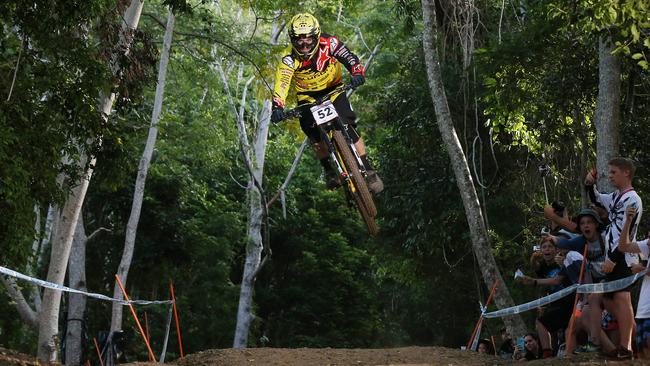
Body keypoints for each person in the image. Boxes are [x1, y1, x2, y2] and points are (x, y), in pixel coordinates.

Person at [270, 13, 383, 193]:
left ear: (316, 36)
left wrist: (357, 72)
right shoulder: (288, 59)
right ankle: (329, 170)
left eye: (308, 39)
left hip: (333, 89)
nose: (304, 44)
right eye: (298, 40)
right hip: (307, 97)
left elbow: (349, 57)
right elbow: (281, 84)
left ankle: (368, 169)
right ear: (292, 40)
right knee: (314, 135)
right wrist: (278, 107)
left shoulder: (329, 43)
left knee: (349, 125)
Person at [584, 157, 642, 359]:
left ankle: (627, 347)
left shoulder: (632, 199)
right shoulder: (618, 196)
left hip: (623, 258)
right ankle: (625, 346)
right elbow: (597, 200)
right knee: (608, 300)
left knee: (621, 300)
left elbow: (624, 234)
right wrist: (589, 184)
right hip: (614, 257)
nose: (610, 176)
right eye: (609, 173)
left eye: (613, 172)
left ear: (626, 173)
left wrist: (613, 259)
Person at [551, 209, 616, 354]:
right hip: (583, 299)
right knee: (572, 326)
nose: (586, 226)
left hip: (603, 285)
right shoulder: (573, 252)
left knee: (584, 317)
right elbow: (557, 280)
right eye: (582, 224)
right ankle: (573, 357)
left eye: (589, 223)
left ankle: (608, 349)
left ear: (596, 225)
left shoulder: (576, 255)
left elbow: (585, 275)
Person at [519, 238, 573, 358]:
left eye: (550, 247)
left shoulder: (562, 261)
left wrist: (534, 282)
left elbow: (556, 280)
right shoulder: (542, 266)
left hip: (571, 302)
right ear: (541, 250)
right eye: (544, 247)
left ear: (556, 249)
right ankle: (547, 353)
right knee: (541, 322)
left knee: (569, 330)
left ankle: (570, 353)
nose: (547, 249)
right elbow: (543, 281)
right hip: (555, 304)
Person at [618, 206, 650, 359]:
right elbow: (623, 246)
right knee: (643, 355)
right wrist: (628, 221)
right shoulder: (648, 245)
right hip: (644, 310)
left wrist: (641, 269)